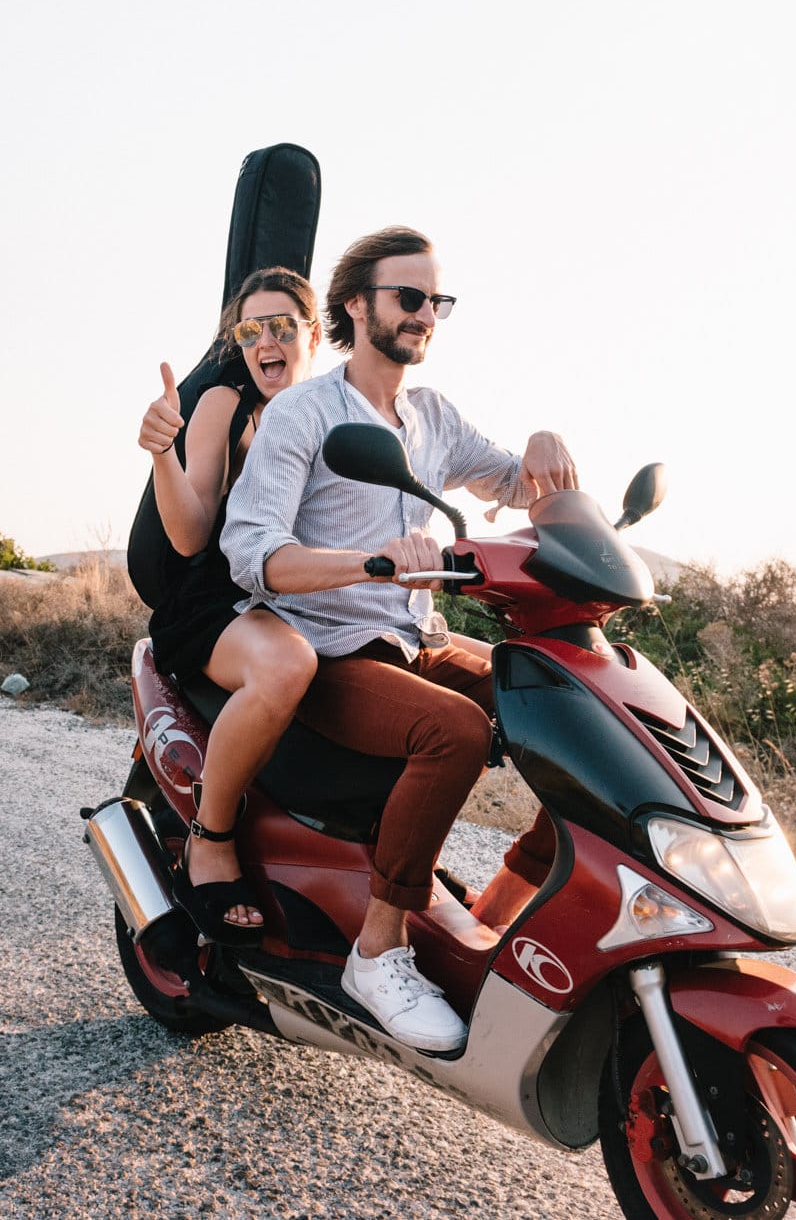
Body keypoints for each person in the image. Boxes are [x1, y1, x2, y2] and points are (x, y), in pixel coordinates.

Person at [221, 226, 571, 1052]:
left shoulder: (432, 417)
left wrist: (546, 449)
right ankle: (377, 953)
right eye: (408, 297)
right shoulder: (306, 412)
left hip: (412, 638)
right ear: (356, 304)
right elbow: (252, 553)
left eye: (435, 301)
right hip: (329, 651)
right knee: (452, 730)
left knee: (563, 700)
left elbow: (515, 483)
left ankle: (502, 908)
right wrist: (370, 564)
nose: (425, 314)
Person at [137, 267, 323, 945]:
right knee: (284, 667)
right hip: (222, 598)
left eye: (282, 327)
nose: (266, 341)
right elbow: (190, 533)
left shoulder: (341, 407)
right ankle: (210, 838)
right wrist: (164, 453)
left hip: (312, 596)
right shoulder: (226, 403)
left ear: (316, 334)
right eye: (251, 330)